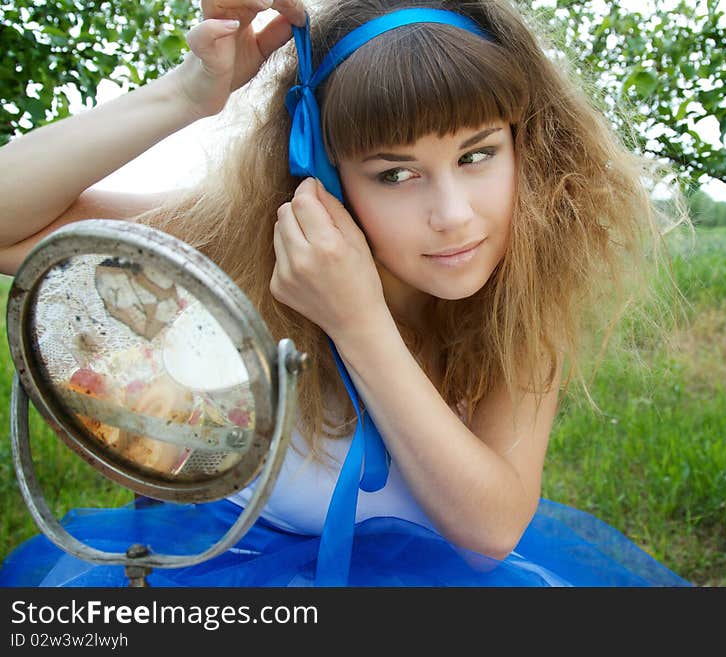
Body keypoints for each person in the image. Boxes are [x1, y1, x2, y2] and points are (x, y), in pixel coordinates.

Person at [0, 0, 690, 587]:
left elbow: (489, 528)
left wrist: (358, 320)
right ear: (322, 173)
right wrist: (187, 93)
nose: (453, 213)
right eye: (395, 174)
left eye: (477, 155)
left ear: (522, 147)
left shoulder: (517, 310)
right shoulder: (245, 239)